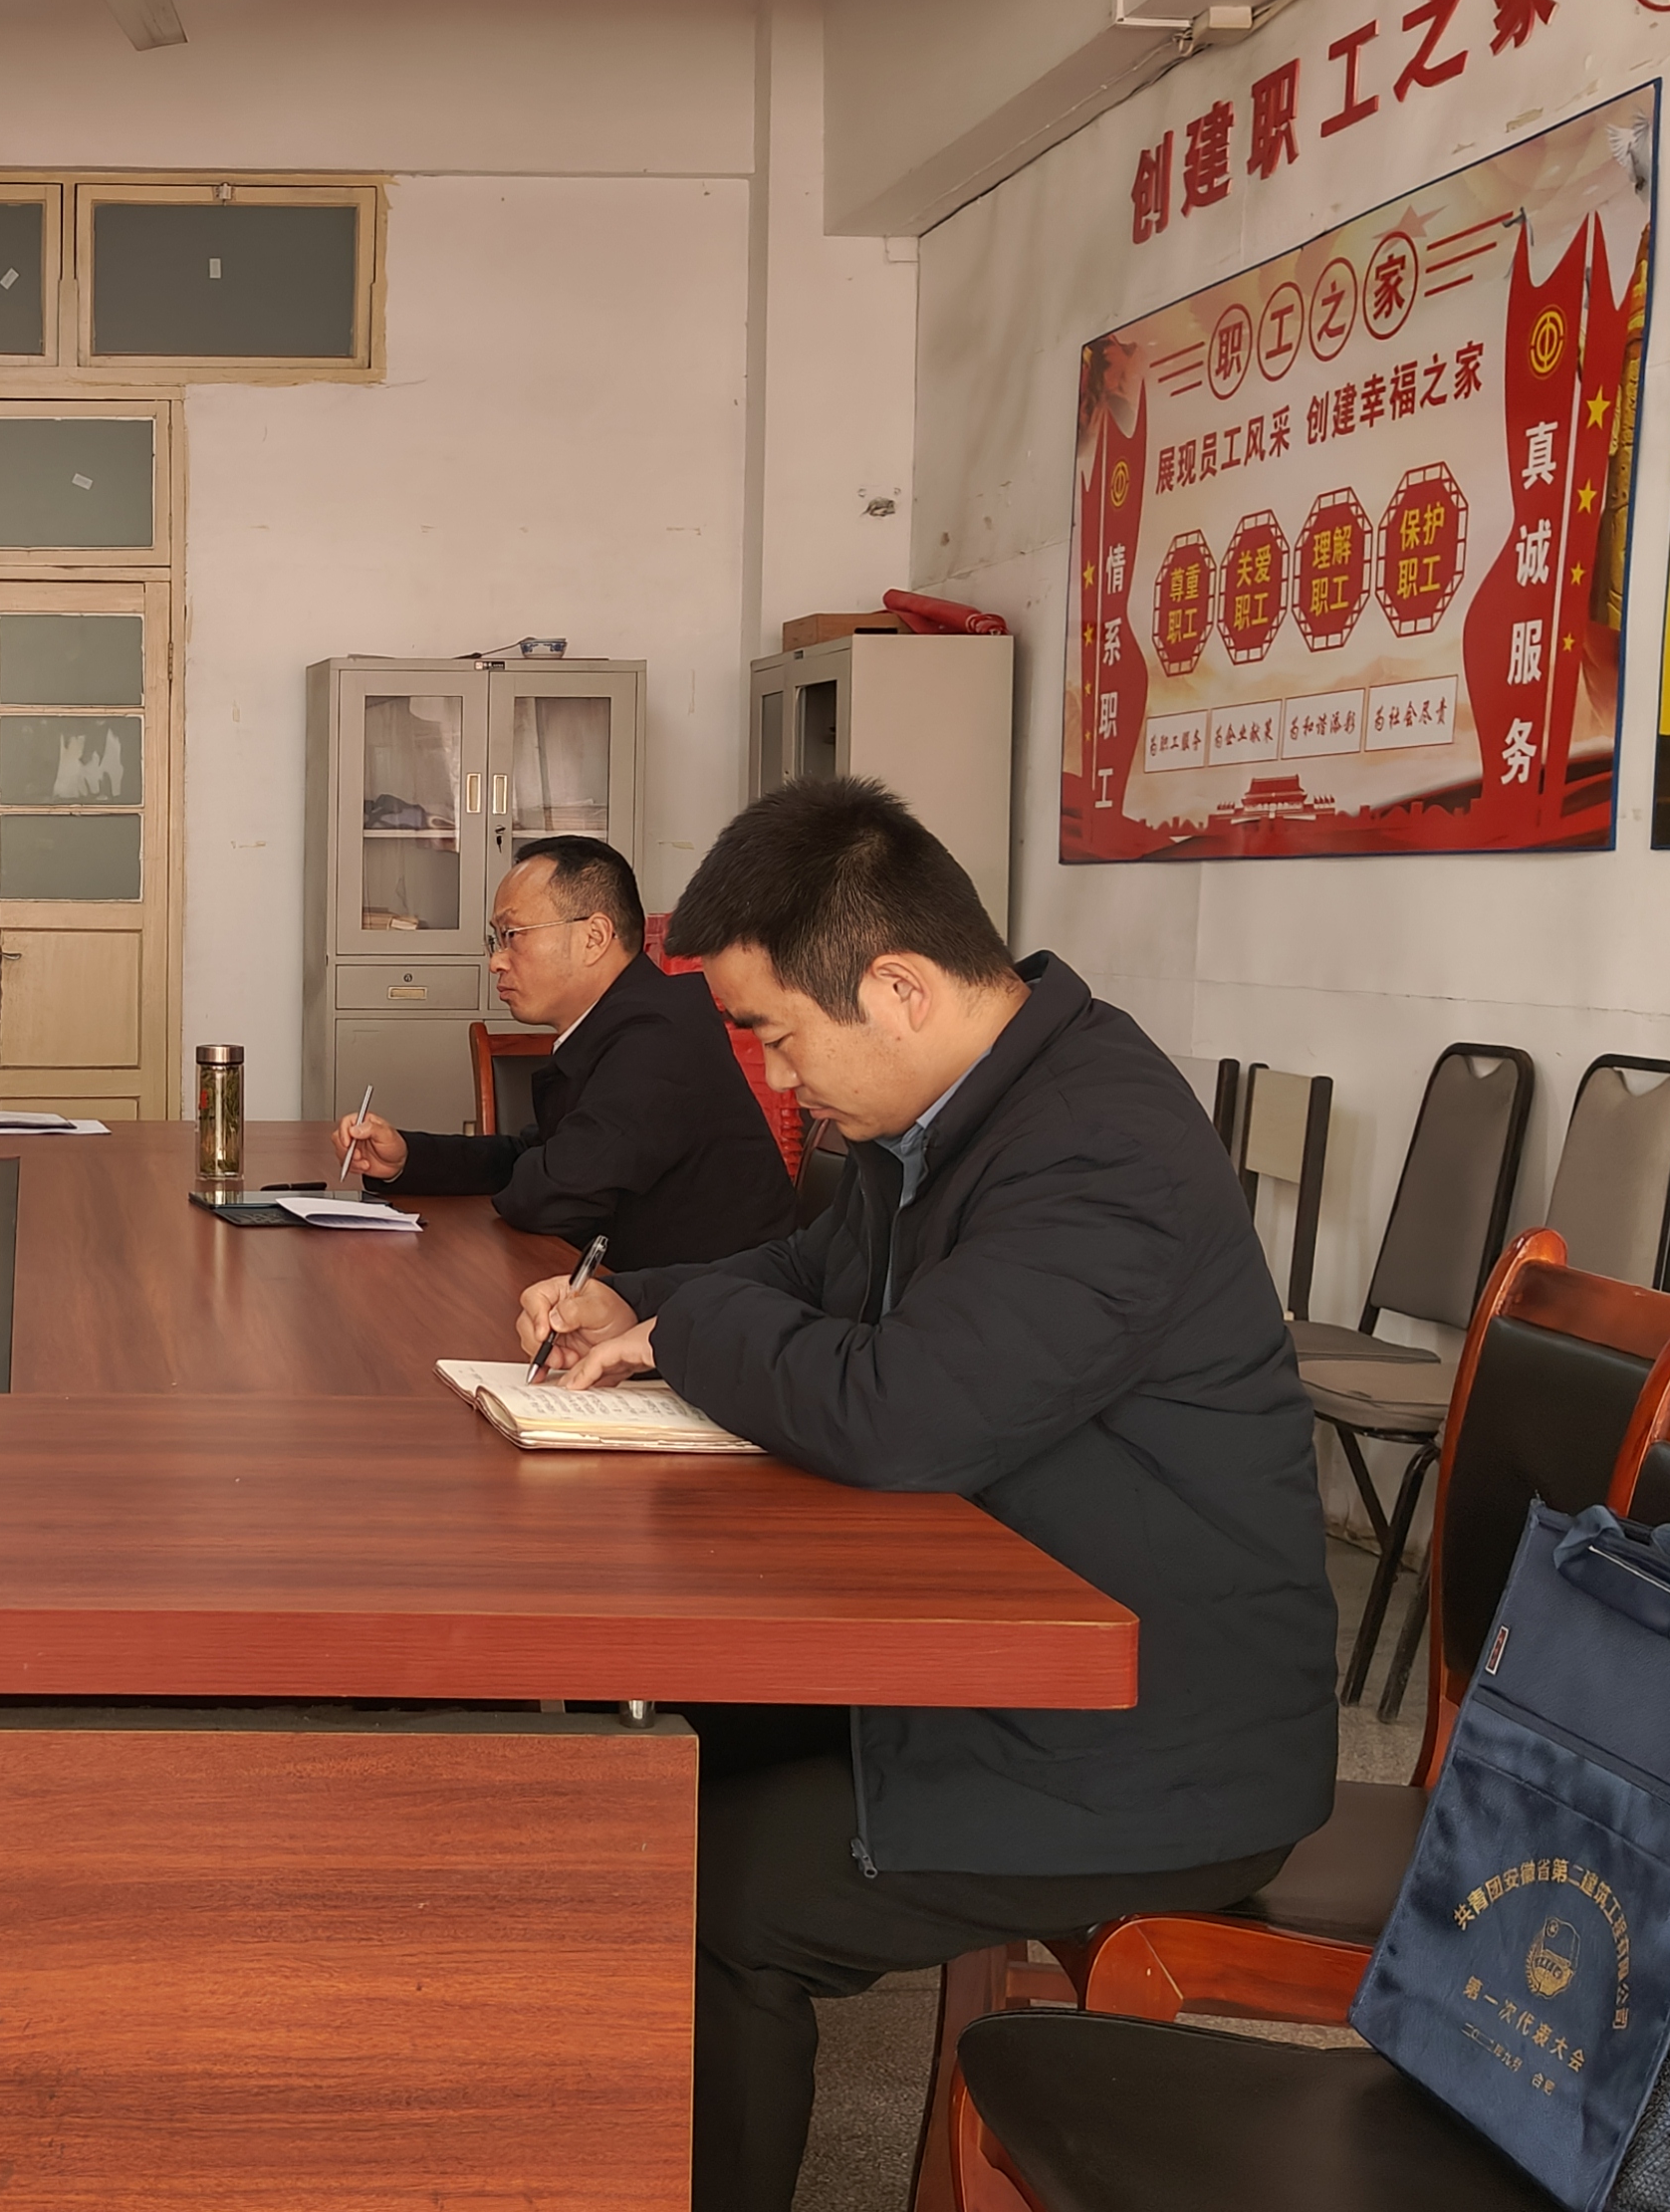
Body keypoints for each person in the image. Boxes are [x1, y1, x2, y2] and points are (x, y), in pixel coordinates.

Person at [517, 777, 1332, 2212]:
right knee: (635, 1766)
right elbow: (806, 1274)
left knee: (714, 1891)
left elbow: (898, 1415)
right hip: (994, 1664)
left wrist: (681, 1334)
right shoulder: (963, 1107)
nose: (776, 1085)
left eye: (779, 1037)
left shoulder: (1100, 1147)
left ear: (897, 988)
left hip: (1147, 1738)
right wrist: (631, 1299)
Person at [332, 835, 793, 1267]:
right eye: (496, 939)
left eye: (513, 935)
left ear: (594, 937)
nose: (496, 960)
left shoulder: (658, 1039)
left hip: (717, 1307)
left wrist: (533, 1170)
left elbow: (552, 1195)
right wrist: (407, 1158)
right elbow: (536, 1157)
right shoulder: (619, 1023)